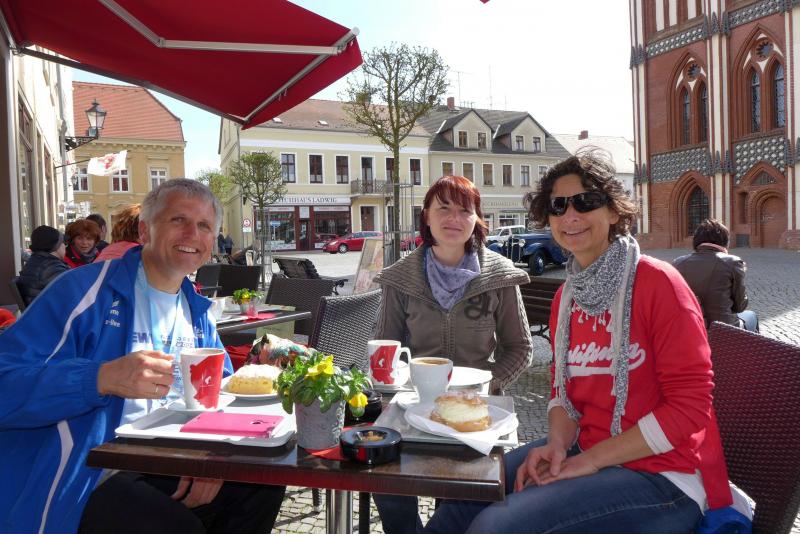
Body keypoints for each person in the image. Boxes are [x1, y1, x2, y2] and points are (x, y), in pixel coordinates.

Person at [425, 149, 746, 533]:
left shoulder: (658, 283)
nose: (570, 215)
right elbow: (562, 393)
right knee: (464, 497)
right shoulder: (567, 297)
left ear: (613, 211)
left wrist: (590, 461)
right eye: (558, 206)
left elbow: (689, 408)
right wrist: (558, 445)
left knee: (496, 526)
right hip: (587, 450)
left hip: (665, 476)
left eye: (586, 201)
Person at [0, 179, 285, 534]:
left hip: (168, 457)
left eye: (204, 226)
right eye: (178, 220)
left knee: (262, 488)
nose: (192, 234)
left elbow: (220, 399)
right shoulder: (83, 292)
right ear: (145, 230)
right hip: (90, 472)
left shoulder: (198, 311)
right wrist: (99, 378)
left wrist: (213, 460)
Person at [372, 175, 533, 534]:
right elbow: (385, 348)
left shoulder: (499, 276)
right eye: (443, 208)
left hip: (473, 414)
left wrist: (488, 385)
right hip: (414, 407)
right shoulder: (401, 278)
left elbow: (520, 348)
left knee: (461, 497)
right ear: (426, 216)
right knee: (386, 481)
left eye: (465, 210)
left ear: (477, 219)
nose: (454, 219)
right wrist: (394, 392)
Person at [673, 219, 758, 331]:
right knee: (751, 316)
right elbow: (740, 306)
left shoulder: (678, 263)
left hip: (691, 329)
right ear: (725, 241)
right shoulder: (732, 262)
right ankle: (749, 343)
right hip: (723, 330)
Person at [17, 225, 69, 306]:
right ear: (56, 246)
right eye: (64, 243)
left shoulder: (36, 261)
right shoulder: (52, 267)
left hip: (39, 308)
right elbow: (72, 293)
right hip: (48, 311)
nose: (65, 246)